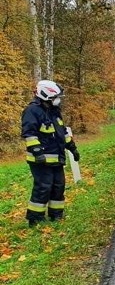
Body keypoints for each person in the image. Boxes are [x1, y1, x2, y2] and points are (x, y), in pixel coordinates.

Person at [21, 80, 79, 226]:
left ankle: (56, 215)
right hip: (40, 159)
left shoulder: (54, 111)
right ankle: (35, 218)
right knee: (43, 187)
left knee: (58, 186)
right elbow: (29, 134)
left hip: (56, 158)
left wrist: (72, 147)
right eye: (56, 97)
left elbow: (62, 133)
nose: (58, 100)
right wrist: (37, 152)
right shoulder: (32, 111)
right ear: (46, 95)